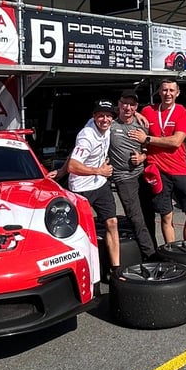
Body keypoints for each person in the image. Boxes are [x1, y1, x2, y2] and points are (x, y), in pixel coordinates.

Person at [137, 78, 186, 244]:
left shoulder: (182, 111)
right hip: (157, 170)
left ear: (177, 93)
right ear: (159, 92)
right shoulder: (147, 111)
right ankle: (171, 252)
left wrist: (147, 139)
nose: (168, 94)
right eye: (165, 90)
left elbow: (176, 141)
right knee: (166, 216)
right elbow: (125, 113)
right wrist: (136, 113)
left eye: (171, 90)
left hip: (179, 169)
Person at [67, 100, 120, 276]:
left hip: (100, 184)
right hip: (81, 188)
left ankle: (115, 269)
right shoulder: (87, 135)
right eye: (100, 116)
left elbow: (126, 112)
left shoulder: (107, 125)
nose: (105, 120)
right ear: (94, 117)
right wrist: (100, 170)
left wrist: (138, 114)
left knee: (112, 222)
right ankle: (82, 270)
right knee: (80, 230)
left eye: (108, 116)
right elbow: (73, 166)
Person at [107, 90, 156, 259]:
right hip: (123, 178)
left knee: (148, 215)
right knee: (136, 218)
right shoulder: (110, 126)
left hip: (142, 176)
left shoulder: (141, 124)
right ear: (118, 105)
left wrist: (142, 156)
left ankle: (152, 249)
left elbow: (148, 147)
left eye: (132, 104)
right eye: (125, 103)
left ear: (136, 107)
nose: (128, 107)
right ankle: (150, 256)